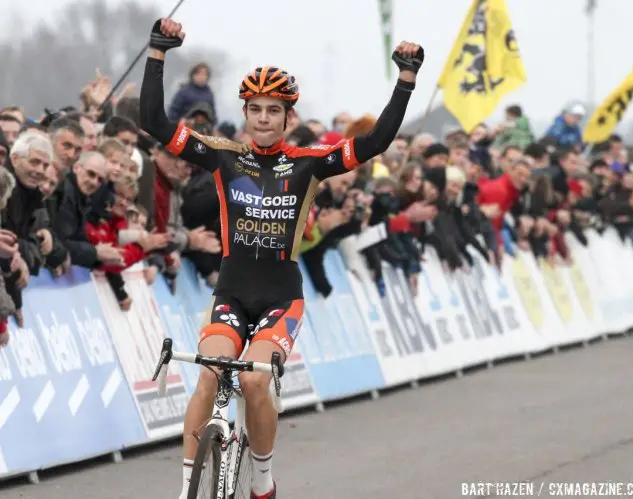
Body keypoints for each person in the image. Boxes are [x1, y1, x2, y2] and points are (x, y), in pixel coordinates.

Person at [141, 17, 424, 499]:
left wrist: (405, 81)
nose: (265, 118)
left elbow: (375, 143)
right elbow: (154, 123)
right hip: (231, 288)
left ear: (289, 116)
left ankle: (263, 478)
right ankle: (186, 488)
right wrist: (157, 54)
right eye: (256, 109)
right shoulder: (224, 156)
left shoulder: (311, 162)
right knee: (209, 374)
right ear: (246, 113)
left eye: (274, 110)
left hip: (280, 296)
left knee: (253, 382)